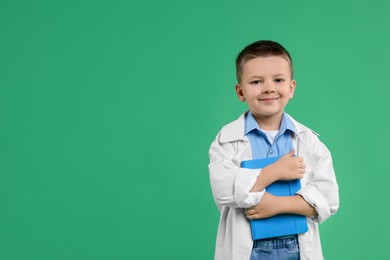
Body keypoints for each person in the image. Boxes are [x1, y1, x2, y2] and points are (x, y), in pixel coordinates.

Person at [208, 40, 339, 260]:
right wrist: (274, 172)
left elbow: (329, 199)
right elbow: (223, 190)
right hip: (249, 250)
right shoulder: (226, 141)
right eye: (257, 81)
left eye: (278, 80)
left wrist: (277, 205)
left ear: (291, 88)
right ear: (241, 91)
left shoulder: (309, 142)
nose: (268, 87)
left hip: (295, 249)